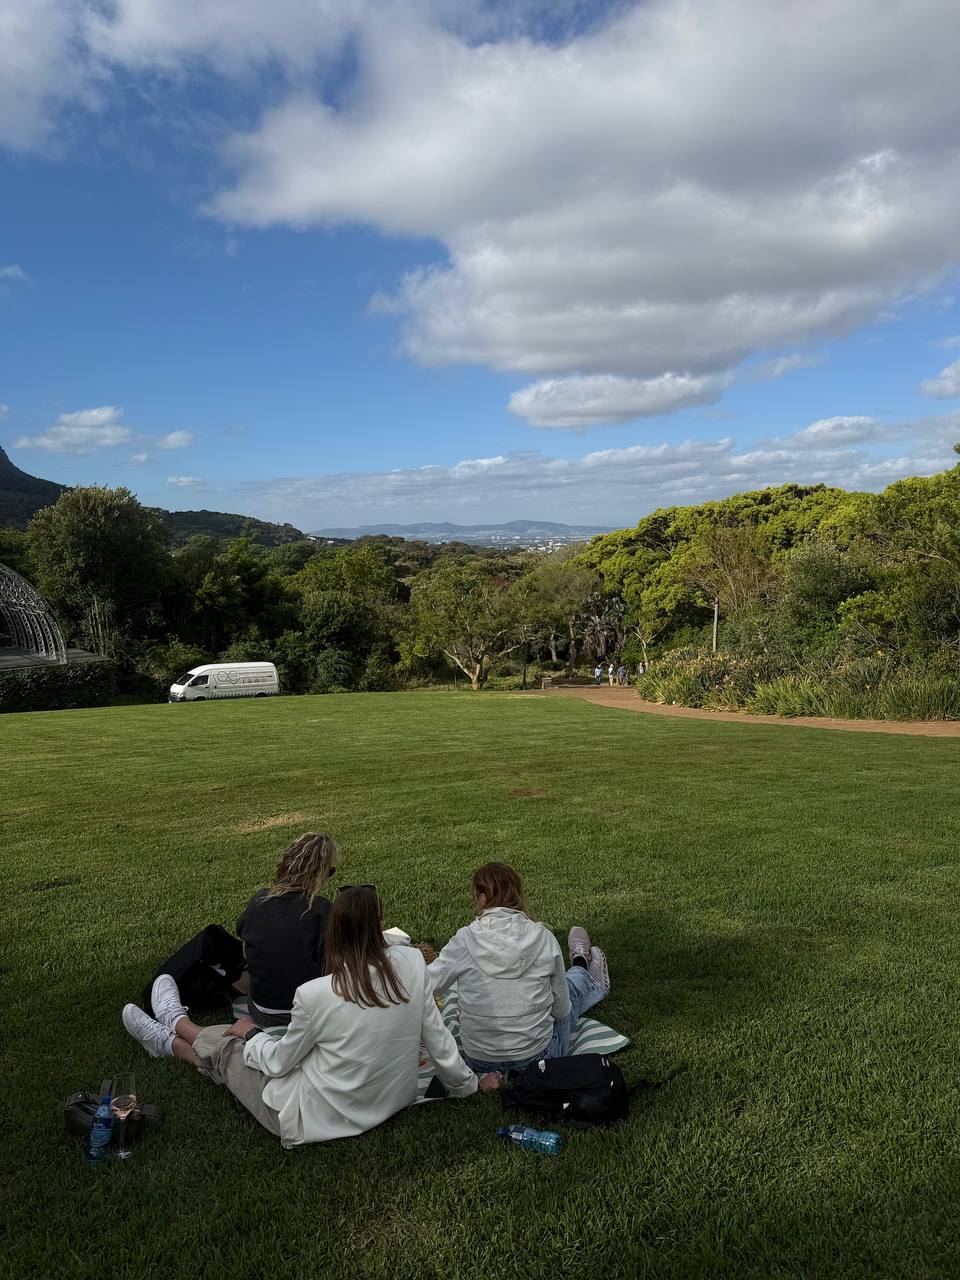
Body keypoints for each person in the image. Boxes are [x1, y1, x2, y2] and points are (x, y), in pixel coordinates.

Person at [122, 886, 498, 1147]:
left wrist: (251, 1033)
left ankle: (173, 1030)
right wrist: (468, 1085)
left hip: (309, 1117)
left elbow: (279, 1063)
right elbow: (439, 1041)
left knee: (230, 1048)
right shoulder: (412, 963)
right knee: (238, 1043)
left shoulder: (316, 993)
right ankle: (171, 1031)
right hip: (386, 1099)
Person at [428, 862, 610, 1078]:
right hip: (539, 1059)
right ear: (517, 894)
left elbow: (425, 987)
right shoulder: (543, 938)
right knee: (567, 994)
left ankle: (583, 970)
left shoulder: (463, 941)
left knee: (560, 994)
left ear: (480, 897)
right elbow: (561, 1010)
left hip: (479, 1061)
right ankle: (583, 970)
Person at [234, 832, 338, 1028]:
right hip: (304, 1014)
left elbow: (242, 930)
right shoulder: (321, 910)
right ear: (319, 874)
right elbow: (332, 965)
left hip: (261, 1008)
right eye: (328, 872)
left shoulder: (258, 901)